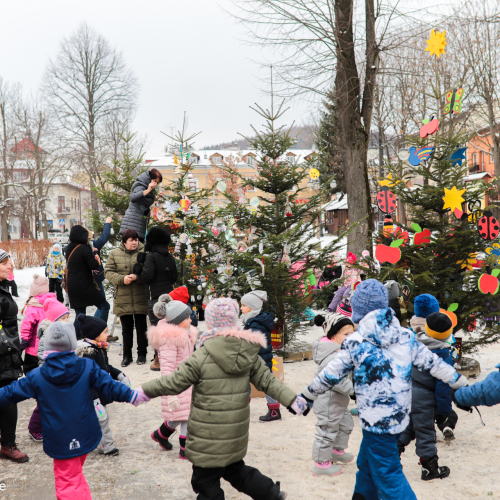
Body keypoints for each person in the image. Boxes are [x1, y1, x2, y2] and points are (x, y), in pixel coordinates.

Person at [300, 279, 469, 500]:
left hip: (376, 420)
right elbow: (436, 365)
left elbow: (329, 374)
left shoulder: (356, 342)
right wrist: (461, 383)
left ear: (358, 311)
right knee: (366, 463)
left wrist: (304, 398)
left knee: (389, 475)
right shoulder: (406, 336)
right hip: (398, 415)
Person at [138, 298, 308, 500]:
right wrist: (293, 400)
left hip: (207, 435)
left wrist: (142, 392)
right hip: (234, 433)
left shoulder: (202, 355)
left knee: (204, 481)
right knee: (236, 471)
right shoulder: (248, 352)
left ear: (210, 323)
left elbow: (173, 382)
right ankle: (270, 492)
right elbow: (268, 381)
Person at [0, 320, 148, 500]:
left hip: (60, 439)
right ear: (72, 343)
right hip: (85, 433)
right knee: (75, 475)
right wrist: (132, 395)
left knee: (67, 481)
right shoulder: (87, 367)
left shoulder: (37, 376)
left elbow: (9, 393)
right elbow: (110, 386)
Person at [398, 311, 455, 480]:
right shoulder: (443, 355)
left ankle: (390, 455)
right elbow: (443, 386)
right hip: (424, 399)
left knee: (408, 427)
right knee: (425, 432)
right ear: (448, 335)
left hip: (407, 393)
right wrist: (444, 411)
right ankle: (430, 468)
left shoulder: (413, 344)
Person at [148, 295, 197, 458]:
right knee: (186, 415)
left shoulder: (185, 333)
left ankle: (161, 434)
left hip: (187, 381)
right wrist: (170, 394)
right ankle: (185, 449)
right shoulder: (169, 339)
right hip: (176, 384)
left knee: (181, 413)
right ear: (177, 320)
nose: (191, 320)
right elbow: (167, 368)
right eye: (188, 318)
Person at [76, 314, 131, 456]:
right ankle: (105, 445)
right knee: (102, 418)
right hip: (91, 395)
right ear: (95, 335)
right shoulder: (88, 353)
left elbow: (106, 366)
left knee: (96, 419)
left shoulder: (99, 347)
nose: (107, 335)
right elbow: (87, 377)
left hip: (98, 393)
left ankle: (90, 441)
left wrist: (119, 375)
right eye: (105, 332)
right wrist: (94, 398)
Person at [409, 293, 459, 441]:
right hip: (439, 379)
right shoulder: (444, 330)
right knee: (443, 406)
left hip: (416, 385)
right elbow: (453, 348)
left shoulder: (411, 330)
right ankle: (446, 425)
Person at [311, 313, 355, 477]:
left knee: (345, 425)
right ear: (332, 335)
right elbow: (337, 380)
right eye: (346, 334)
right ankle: (321, 464)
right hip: (328, 401)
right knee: (326, 431)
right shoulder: (331, 357)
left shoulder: (341, 349)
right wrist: (354, 390)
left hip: (338, 401)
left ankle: (336, 451)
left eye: (352, 333)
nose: (350, 338)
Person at [133, 226, 178, 370]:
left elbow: (147, 276)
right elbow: (175, 277)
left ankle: (158, 360)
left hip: (154, 299)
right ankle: (172, 357)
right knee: (169, 328)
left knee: (157, 330)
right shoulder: (169, 257)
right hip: (169, 297)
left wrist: (138, 268)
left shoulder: (151, 256)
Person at [104, 229, 148, 367]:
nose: (134, 243)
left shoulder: (145, 252)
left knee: (142, 328)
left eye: (136, 240)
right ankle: (127, 355)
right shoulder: (114, 253)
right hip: (123, 297)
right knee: (126, 329)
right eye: (131, 240)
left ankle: (142, 354)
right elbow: (108, 272)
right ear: (124, 242)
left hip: (140, 295)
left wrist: (137, 277)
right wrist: (122, 278)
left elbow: (149, 271)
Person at [0, 249, 27, 463]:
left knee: (7, 397)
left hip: (7, 351)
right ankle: (8, 445)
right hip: (3, 353)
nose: (9, 267)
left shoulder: (4, 287)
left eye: (9, 263)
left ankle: (6, 442)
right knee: (8, 398)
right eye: (4, 264)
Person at [240, 290, 279, 422]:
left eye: (243, 305)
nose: (241, 308)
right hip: (259, 359)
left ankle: (273, 411)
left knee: (261, 384)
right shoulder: (255, 320)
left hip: (258, 360)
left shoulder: (255, 323)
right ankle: (244, 409)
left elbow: (252, 343)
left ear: (252, 307)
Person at [64, 225, 109, 338]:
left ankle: (76, 336)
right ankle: (99, 332)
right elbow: (93, 265)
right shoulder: (84, 248)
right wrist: (96, 258)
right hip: (84, 285)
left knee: (80, 314)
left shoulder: (68, 248)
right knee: (104, 306)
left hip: (72, 286)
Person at [120, 168, 163, 242]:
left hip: (139, 223)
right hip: (132, 223)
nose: (155, 184)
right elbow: (133, 198)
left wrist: (156, 197)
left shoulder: (147, 187)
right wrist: (148, 190)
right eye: (154, 181)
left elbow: (144, 201)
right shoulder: (140, 185)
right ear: (149, 179)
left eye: (157, 183)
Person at [90, 216, 113, 327]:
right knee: (104, 305)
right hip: (94, 279)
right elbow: (105, 236)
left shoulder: (75, 247)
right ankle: (99, 330)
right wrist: (107, 223)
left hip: (90, 279)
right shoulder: (94, 245)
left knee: (102, 305)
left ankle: (94, 327)